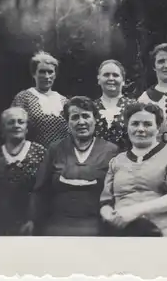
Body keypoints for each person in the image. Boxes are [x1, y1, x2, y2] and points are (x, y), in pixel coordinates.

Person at [21, 96, 119, 236]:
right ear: (67, 122)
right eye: (75, 117)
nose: (81, 122)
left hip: (97, 223)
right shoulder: (56, 149)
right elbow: (40, 190)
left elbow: (119, 191)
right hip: (58, 222)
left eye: (86, 116)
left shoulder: (111, 151)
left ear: (95, 119)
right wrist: (32, 219)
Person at [99, 102, 167, 237]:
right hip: (123, 229)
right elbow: (105, 202)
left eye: (147, 124)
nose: (140, 129)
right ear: (127, 127)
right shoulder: (117, 160)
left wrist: (133, 211)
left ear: (158, 128)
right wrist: (110, 217)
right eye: (135, 124)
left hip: (163, 229)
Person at [0, 107, 46, 236]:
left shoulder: (40, 152)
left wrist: (34, 219)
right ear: (3, 128)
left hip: (33, 222)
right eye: (11, 122)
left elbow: (45, 190)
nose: (16, 125)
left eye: (20, 122)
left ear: (27, 127)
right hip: (0, 222)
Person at [11, 51, 68, 148]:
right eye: (42, 72)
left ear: (55, 75)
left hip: (61, 156)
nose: (46, 76)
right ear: (34, 74)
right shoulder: (24, 98)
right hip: (34, 156)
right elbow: (13, 129)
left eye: (50, 72)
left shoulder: (64, 101)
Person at [94, 59, 136, 151]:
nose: (111, 78)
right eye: (106, 75)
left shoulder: (134, 107)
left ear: (123, 81)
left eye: (115, 75)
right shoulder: (91, 108)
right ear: (99, 80)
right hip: (97, 162)